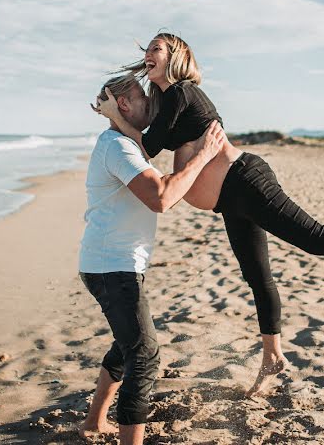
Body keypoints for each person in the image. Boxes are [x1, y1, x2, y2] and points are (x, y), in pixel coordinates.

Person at [96, 33, 324, 397]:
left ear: (176, 56)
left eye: (156, 49)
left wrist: (114, 115)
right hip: (229, 198)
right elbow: (146, 144)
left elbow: (144, 148)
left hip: (246, 181)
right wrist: (119, 114)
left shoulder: (181, 92)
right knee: (257, 275)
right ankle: (272, 355)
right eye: (147, 49)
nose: (148, 54)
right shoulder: (167, 99)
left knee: (315, 239)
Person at [79, 73, 225, 444]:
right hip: (112, 266)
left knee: (126, 343)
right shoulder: (118, 147)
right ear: (126, 104)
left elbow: (145, 152)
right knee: (143, 354)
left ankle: (95, 422)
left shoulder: (123, 141)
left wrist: (117, 115)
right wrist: (203, 155)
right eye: (144, 98)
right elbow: (161, 198)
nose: (153, 103)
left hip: (114, 263)